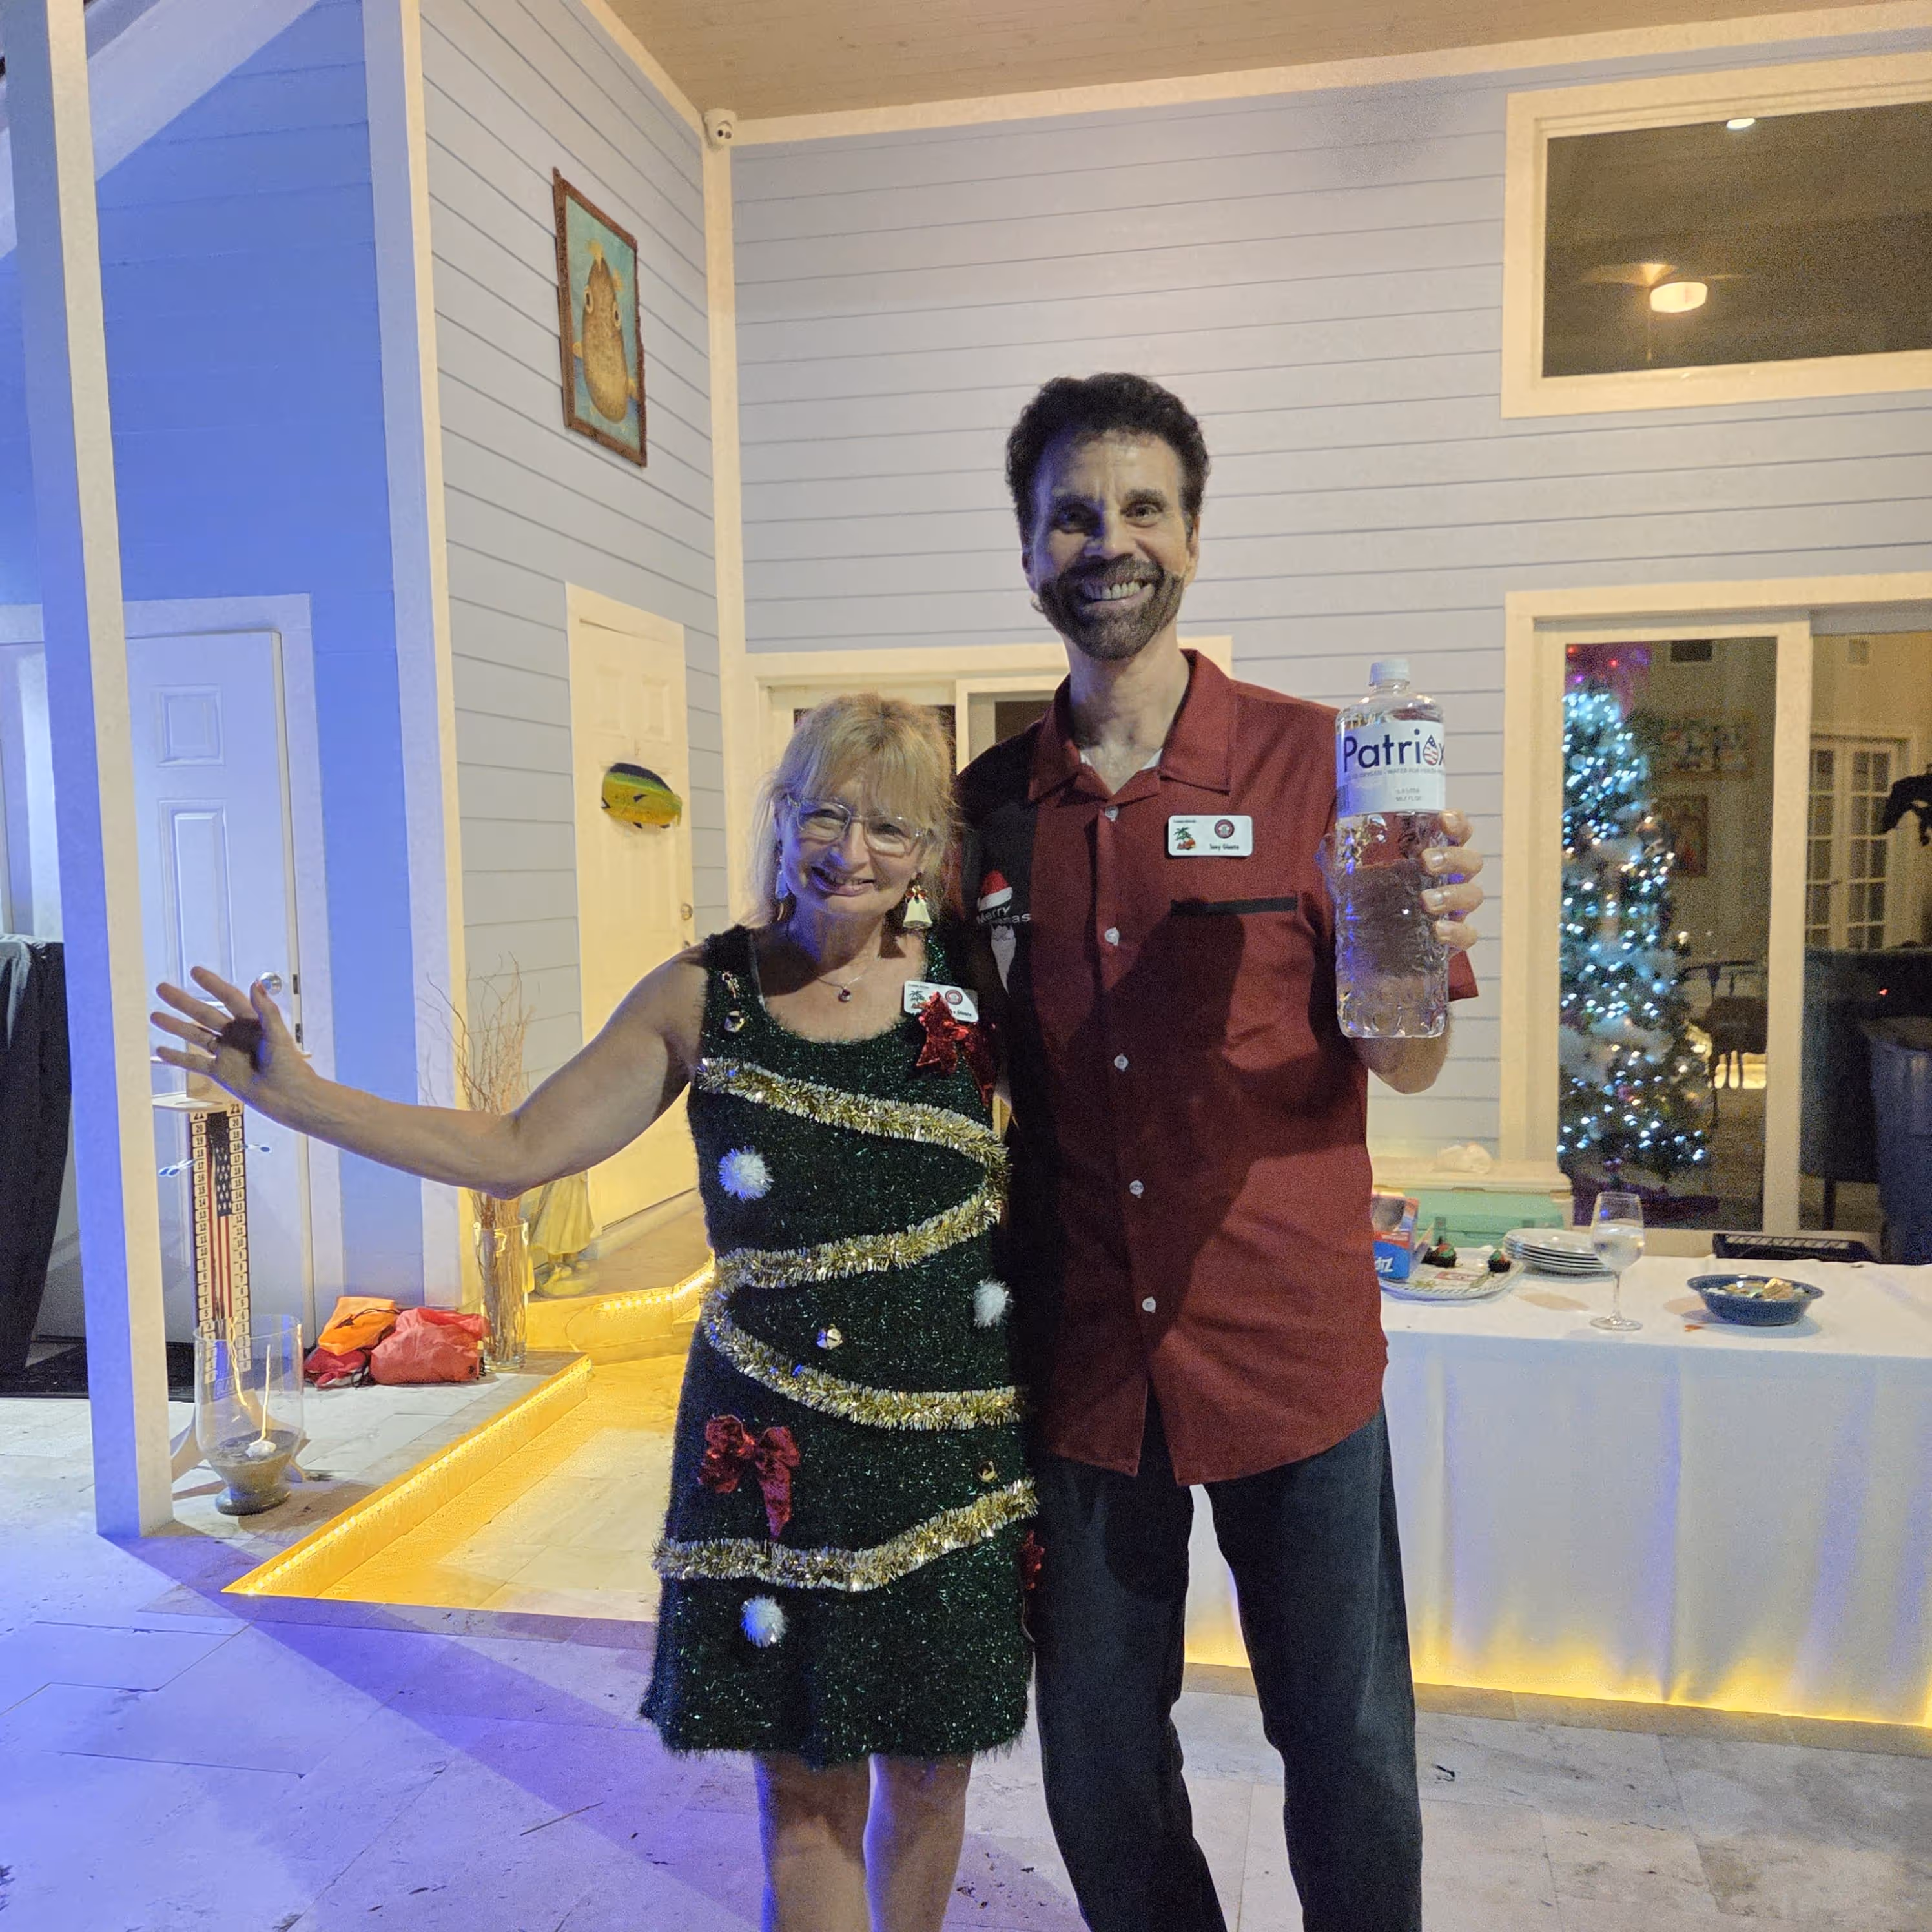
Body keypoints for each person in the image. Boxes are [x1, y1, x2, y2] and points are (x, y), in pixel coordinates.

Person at [152, 694, 1032, 1932]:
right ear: (783, 819)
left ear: (932, 847)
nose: (853, 850)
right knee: (805, 1783)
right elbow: (520, 1147)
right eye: (825, 812)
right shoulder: (701, 993)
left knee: (932, 1771)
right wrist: (301, 1100)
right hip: (778, 1455)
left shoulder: (975, 988)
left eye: (890, 826)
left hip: (955, 1451)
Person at [958, 373, 1486, 1932]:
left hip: (1290, 1350)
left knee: (1347, 1752)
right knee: (1099, 1764)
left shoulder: (1329, 769)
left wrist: (1423, 938)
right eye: (1071, 511)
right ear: (1029, 545)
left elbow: (1408, 1049)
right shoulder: (987, 809)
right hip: (1079, 1364)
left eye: (1139, 508)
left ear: (1191, 535)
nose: (1104, 540)